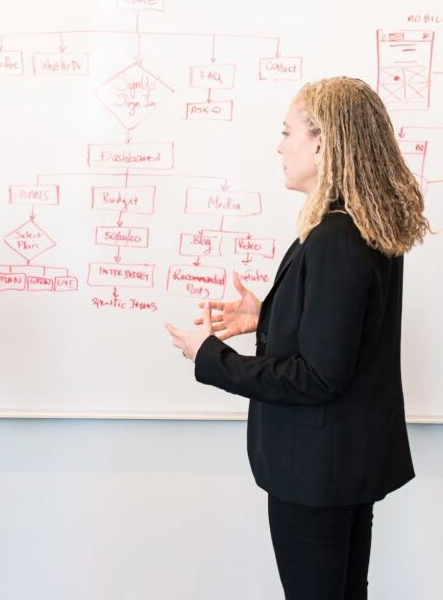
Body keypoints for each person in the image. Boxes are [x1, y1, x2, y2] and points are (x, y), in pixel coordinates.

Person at [166, 77, 429, 599]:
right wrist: (266, 317)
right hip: (344, 467)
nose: (279, 145)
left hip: (316, 476)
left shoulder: (335, 237)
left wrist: (212, 358)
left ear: (322, 143)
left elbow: (318, 376)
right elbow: (345, 336)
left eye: (287, 132)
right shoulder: (367, 228)